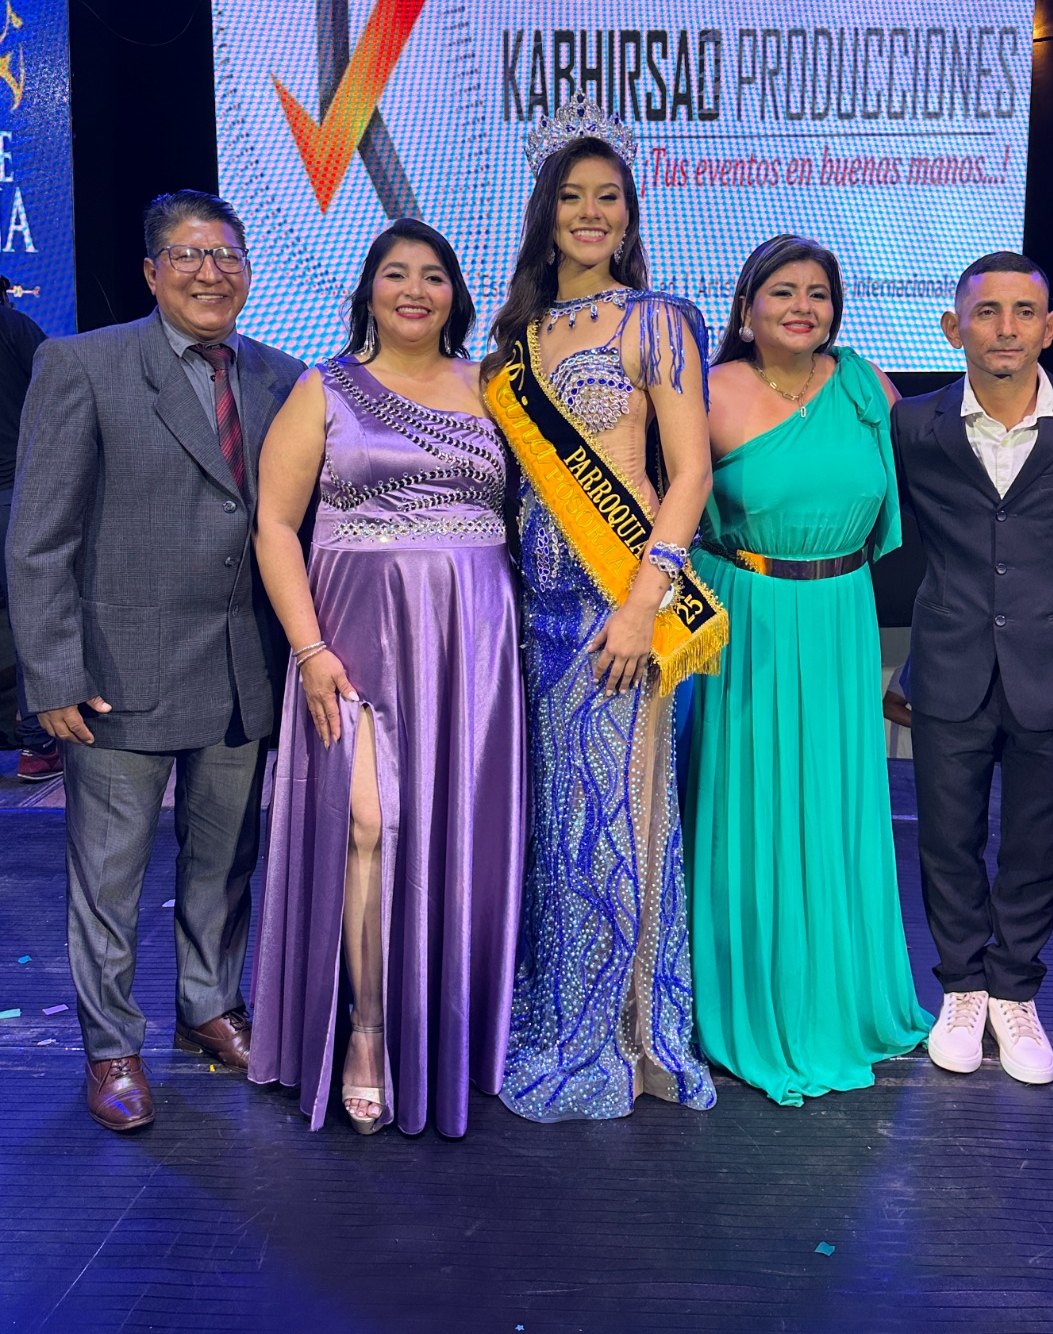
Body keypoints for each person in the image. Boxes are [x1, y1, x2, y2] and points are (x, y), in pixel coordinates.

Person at [6, 191, 303, 1132]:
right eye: (187, 255)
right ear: (150, 271)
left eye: (226, 255)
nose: (210, 272)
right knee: (109, 878)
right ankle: (111, 1048)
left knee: (225, 864)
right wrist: (53, 675)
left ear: (248, 269)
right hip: (116, 677)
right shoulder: (82, 365)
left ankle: (209, 1005)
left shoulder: (284, 378)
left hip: (241, 671)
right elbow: (37, 540)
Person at [248, 219, 526, 1137]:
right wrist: (309, 649)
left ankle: (444, 1024)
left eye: (433, 275)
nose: (415, 290)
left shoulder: (495, 389)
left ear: (456, 294)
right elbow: (275, 525)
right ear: (367, 289)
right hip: (353, 641)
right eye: (396, 273)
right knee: (368, 824)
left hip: (470, 646)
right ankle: (366, 1030)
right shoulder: (322, 388)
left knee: (454, 837)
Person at [481, 94, 727, 1122]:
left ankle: (620, 1036)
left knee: (614, 823)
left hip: (617, 610)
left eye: (609, 197)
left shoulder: (656, 320)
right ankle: (558, 1009)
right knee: (553, 825)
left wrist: (640, 604)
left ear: (630, 213)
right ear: (545, 212)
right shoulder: (517, 338)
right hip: (528, 616)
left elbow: (691, 472)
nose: (591, 213)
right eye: (573, 196)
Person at [683, 235, 931, 1107]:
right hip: (743, 622)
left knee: (832, 807)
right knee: (746, 809)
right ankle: (744, 999)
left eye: (817, 293)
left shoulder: (866, 387)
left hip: (839, 623)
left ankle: (838, 996)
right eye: (782, 291)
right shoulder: (707, 390)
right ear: (746, 306)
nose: (801, 306)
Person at [892, 251, 1053, 1086]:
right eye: (987, 311)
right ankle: (962, 989)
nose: (1005, 328)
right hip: (951, 660)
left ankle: (1014, 992)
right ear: (953, 327)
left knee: (1040, 841)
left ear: (1050, 326)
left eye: (1023, 312)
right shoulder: (915, 425)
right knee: (948, 839)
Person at [0, 279, 59, 779]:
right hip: (12, 492)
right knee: (31, 618)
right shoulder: (15, 327)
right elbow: (58, 398)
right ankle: (39, 744)